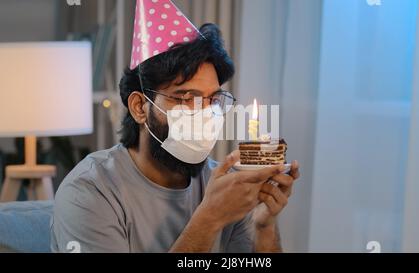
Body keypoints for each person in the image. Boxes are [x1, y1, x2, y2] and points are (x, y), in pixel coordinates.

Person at [51, 0, 300, 253]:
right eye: (186, 98)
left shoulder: (226, 186)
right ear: (139, 107)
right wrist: (210, 217)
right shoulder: (89, 192)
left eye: (212, 99)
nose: (204, 113)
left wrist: (264, 225)